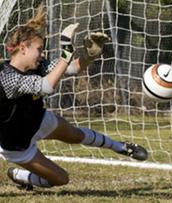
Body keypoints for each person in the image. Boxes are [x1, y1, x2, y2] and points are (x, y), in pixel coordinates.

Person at [0, 5, 148, 190]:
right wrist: (66, 54)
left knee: (76, 135)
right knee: (61, 179)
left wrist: (90, 55)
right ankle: (20, 175)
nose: (42, 54)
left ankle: (121, 147)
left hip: (38, 119)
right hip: (17, 144)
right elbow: (46, 86)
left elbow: (71, 67)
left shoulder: (39, 64)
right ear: (23, 48)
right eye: (39, 49)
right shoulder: (7, 77)